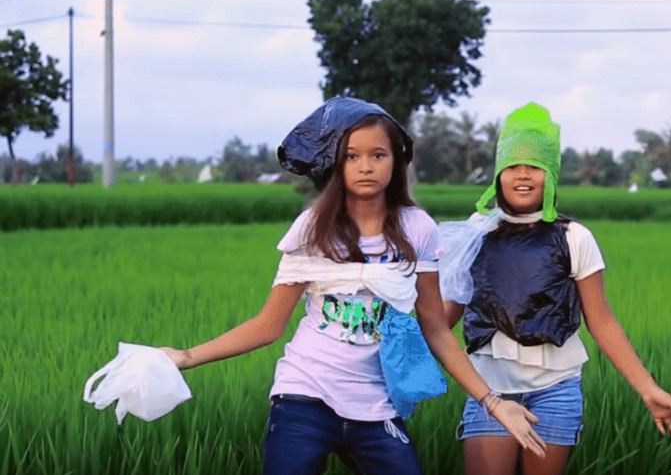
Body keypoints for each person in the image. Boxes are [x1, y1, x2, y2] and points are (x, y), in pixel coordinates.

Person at [160, 97, 545, 475]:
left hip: (375, 403)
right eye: (352, 156)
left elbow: (435, 328)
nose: (366, 167)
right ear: (335, 163)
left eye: (378, 155)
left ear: (396, 162)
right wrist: (185, 356)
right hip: (304, 396)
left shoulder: (417, 229)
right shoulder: (312, 230)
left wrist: (494, 403)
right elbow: (268, 325)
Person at [439, 103, 671, 475]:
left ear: (551, 174)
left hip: (555, 390)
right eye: (512, 166)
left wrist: (648, 390)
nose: (523, 176)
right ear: (497, 175)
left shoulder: (574, 237)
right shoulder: (476, 234)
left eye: (535, 167)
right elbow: (438, 323)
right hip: (489, 390)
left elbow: (602, 322)